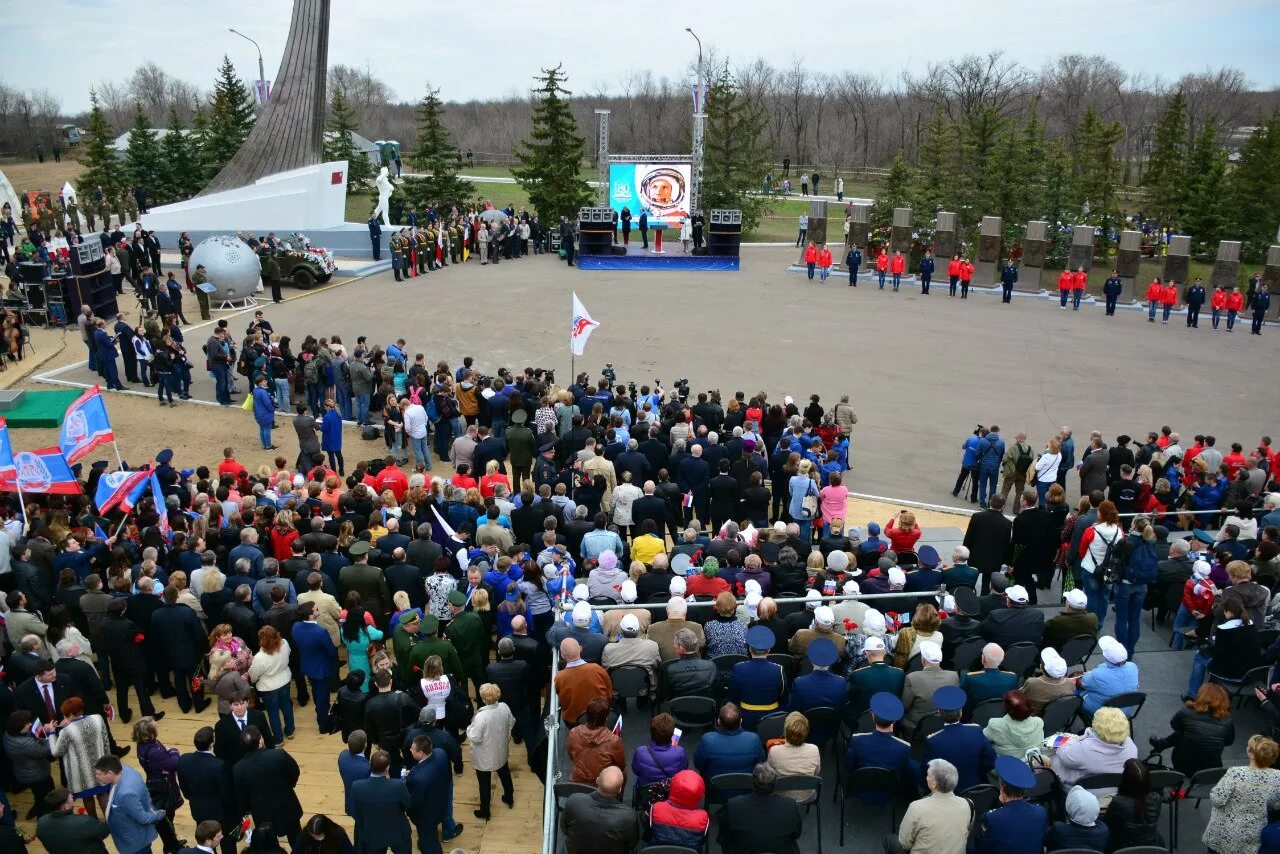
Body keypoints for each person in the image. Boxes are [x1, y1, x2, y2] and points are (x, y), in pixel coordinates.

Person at [1203, 735, 1280, 854]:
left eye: (1249, 747)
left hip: (1223, 832)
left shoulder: (1236, 773)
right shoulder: (1277, 776)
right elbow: (1276, 804)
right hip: (1252, 834)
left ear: (1252, 754)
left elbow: (1217, 799)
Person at [233, 726, 304, 851]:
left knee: (268, 844)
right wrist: (288, 786)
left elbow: (241, 794)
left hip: (261, 812)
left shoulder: (238, 768)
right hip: (286, 804)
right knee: (296, 839)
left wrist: (247, 809)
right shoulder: (278, 755)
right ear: (260, 740)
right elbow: (294, 772)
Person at [1149, 682, 1234, 778]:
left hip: (1183, 765)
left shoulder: (1186, 712)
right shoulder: (1227, 721)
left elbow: (1175, 726)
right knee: (1189, 732)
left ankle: (1162, 744)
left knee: (1184, 732)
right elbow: (1228, 741)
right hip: (1211, 770)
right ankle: (1161, 744)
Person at [176, 727, 238, 854]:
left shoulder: (184, 760)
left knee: (207, 843)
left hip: (198, 810)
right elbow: (227, 793)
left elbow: (184, 787)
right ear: (212, 743)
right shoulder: (219, 765)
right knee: (227, 843)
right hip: (221, 814)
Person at [890, 758, 971, 854]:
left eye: (928, 775)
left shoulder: (917, 807)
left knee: (890, 840)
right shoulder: (968, 804)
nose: (926, 777)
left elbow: (905, 844)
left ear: (934, 784)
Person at [1051, 706, 1137, 796]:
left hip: (1084, 793)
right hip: (1115, 789)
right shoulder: (1131, 747)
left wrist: (1080, 737)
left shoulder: (1084, 749)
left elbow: (1062, 754)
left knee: (1052, 757)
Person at [718, 763, 802, 854]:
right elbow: (797, 834)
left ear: (752, 783)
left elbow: (723, 836)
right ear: (775, 785)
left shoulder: (733, 805)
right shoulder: (790, 805)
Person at [970, 755, 1047, 854]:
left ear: (1002, 786)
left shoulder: (991, 818)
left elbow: (980, 848)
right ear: (1024, 789)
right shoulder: (1041, 812)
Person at [94, 754, 166, 854]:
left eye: (99, 774)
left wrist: (158, 814)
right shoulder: (125, 769)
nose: (96, 777)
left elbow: (143, 818)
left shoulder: (126, 793)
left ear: (110, 773)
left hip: (134, 843)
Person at [560, 766, 640, 854]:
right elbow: (631, 844)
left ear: (597, 780)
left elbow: (564, 828)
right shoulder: (629, 816)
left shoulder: (574, 800)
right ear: (620, 790)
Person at [694, 703, 766, 799]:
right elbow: (762, 762)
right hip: (747, 789)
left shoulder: (707, 739)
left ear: (718, 721)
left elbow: (698, 764)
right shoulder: (753, 739)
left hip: (715, 790)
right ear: (741, 721)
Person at [466, 683, 514, 820]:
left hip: (484, 754)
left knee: (484, 783)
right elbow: (511, 723)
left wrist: (469, 728)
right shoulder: (504, 707)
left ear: (483, 698)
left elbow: (475, 737)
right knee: (504, 773)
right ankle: (509, 797)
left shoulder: (481, 717)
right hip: (500, 749)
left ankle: (485, 810)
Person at [350, 749, 411, 854]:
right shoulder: (398, 785)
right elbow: (407, 805)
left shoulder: (357, 786)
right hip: (397, 831)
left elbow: (356, 811)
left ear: (370, 765)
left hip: (372, 833)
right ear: (387, 768)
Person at [1102, 758, 1165, 851]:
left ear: (1125, 779)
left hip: (1121, 847)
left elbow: (1107, 824)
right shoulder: (1156, 798)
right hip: (1151, 844)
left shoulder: (1118, 802)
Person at [248, 625, 294, 743]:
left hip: (268, 687)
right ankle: (290, 731)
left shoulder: (259, 657)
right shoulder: (284, 643)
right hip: (285, 680)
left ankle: (278, 739)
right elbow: (288, 653)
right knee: (286, 706)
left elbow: (253, 675)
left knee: (273, 713)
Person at [567, 697, 625, 785]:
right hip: (603, 783)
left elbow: (571, 756)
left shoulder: (573, 733)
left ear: (586, 714)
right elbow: (620, 765)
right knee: (623, 773)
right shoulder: (614, 741)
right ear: (606, 718)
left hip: (578, 780)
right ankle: (617, 797)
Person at [647, 768, 710, 849]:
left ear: (672, 786)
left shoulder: (656, 809)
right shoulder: (703, 818)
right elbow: (702, 841)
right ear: (700, 793)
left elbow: (649, 834)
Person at [765, 712, 820, 801]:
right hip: (806, 795)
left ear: (785, 730)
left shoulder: (774, 751)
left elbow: (771, 775)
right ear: (806, 731)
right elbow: (816, 773)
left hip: (781, 795)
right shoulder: (814, 749)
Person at [36, 787, 111, 854]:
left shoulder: (42, 822)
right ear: (66, 806)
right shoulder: (83, 822)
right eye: (71, 798)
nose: (73, 798)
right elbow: (104, 832)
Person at [632, 712, 688, 794]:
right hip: (670, 792)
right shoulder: (680, 752)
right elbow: (683, 770)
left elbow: (636, 771)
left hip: (647, 794)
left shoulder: (640, 752)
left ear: (651, 733)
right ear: (672, 735)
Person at [983, 689, 1044, 758]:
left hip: (1005, 762)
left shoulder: (995, 725)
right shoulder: (1039, 722)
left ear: (1006, 708)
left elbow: (983, 738)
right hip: (1032, 759)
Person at [1047, 787, 1108, 852]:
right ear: (1096, 808)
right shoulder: (1103, 830)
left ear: (1068, 807)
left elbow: (1047, 842)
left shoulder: (1058, 829)